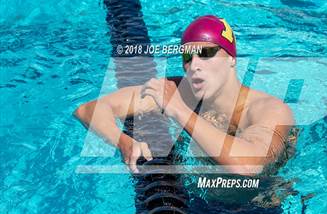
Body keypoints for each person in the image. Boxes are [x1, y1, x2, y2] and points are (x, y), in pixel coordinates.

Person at [74, 15, 297, 176]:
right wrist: (122, 141)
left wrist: (179, 110)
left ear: (231, 58)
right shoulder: (179, 90)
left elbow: (249, 166)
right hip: (197, 209)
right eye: (187, 57)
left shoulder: (270, 109)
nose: (194, 65)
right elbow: (89, 109)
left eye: (206, 53)